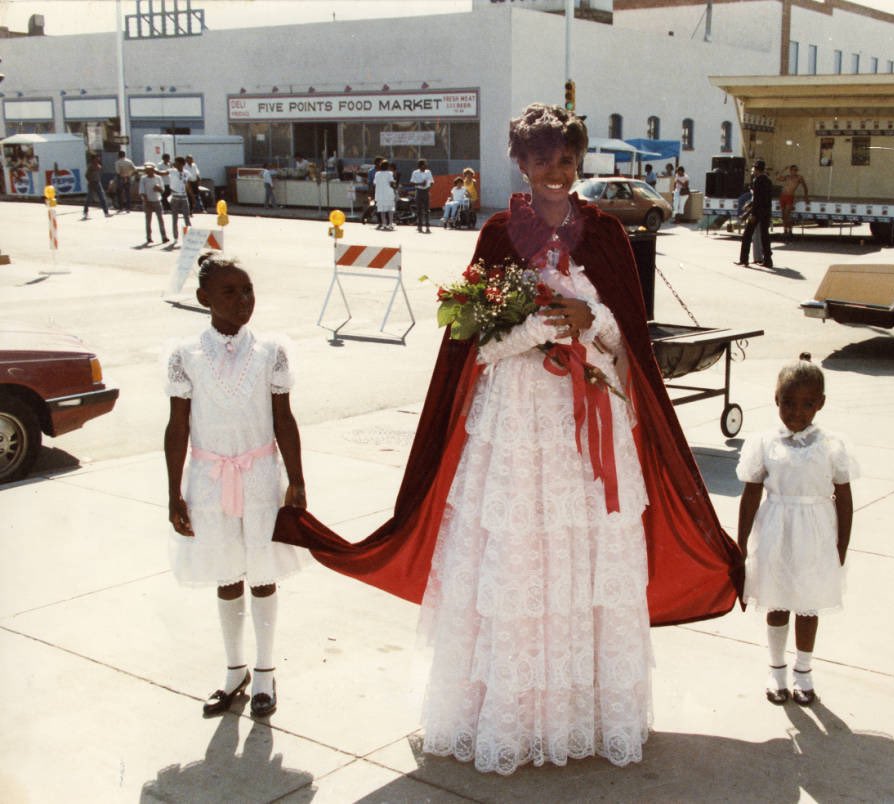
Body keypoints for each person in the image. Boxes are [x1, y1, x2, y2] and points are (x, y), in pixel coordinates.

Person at [272, 102, 741, 775]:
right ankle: (510, 718)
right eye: (544, 159)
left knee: (583, 558)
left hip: (590, 431)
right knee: (519, 558)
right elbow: (472, 347)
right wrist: (533, 330)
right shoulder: (498, 233)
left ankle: (584, 715)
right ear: (519, 163)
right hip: (518, 429)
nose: (557, 171)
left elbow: (626, 341)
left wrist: (591, 315)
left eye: (568, 159)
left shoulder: (608, 235)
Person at [164, 253, 306, 719]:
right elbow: (177, 425)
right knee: (227, 575)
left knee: (262, 573)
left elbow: (284, 418)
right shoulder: (186, 355)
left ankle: (265, 671)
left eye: (248, 290)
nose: (243, 300)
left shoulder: (270, 351)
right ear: (204, 298)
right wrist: (174, 492)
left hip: (261, 476)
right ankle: (234, 671)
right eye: (230, 292)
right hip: (209, 480)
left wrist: (297, 479)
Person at [736, 353, 856, 707]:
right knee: (777, 600)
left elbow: (845, 498)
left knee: (807, 605)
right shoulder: (764, 443)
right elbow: (751, 493)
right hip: (776, 531)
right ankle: (776, 670)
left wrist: (842, 546)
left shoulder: (832, 446)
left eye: (806, 404)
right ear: (776, 400)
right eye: (788, 403)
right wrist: (741, 543)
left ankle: (804, 671)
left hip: (816, 535)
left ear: (820, 404)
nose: (796, 412)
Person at [736, 160, 773, 269]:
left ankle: (744, 259)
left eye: (754, 169)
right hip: (766, 211)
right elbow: (764, 198)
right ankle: (768, 260)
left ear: (757, 170)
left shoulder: (757, 181)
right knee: (765, 236)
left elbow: (757, 199)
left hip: (757, 212)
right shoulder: (768, 181)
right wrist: (749, 205)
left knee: (747, 235)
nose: (753, 171)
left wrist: (752, 214)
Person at [138, 162, 169, 245]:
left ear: (153, 170)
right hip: (148, 201)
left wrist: (159, 189)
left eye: (150, 170)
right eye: (147, 170)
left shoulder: (158, 178)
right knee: (148, 220)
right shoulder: (143, 178)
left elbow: (162, 190)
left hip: (157, 200)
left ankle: (164, 236)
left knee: (160, 219)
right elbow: (142, 191)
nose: (148, 172)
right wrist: (146, 201)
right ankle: (149, 237)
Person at [775, 165, 809, 236]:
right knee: (783, 215)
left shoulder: (799, 178)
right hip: (783, 196)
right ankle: (785, 231)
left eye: (796, 170)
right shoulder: (787, 177)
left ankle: (790, 230)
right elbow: (778, 178)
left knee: (787, 214)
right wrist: (783, 169)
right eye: (793, 170)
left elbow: (805, 187)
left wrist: (806, 196)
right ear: (790, 171)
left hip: (790, 196)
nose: (794, 171)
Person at [167, 156, 193, 242]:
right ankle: (175, 237)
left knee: (187, 217)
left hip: (184, 197)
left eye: (177, 163)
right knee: (175, 218)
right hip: (175, 197)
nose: (175, 164)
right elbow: (161, 173)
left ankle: (189, 237)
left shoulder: (187, 173)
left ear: (182, 164)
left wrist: (192, 196)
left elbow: (187, 185)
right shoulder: (172, 171)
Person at [82, 154, 110, 219]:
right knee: (89, 198)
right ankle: (85, 211)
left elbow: (100, 168)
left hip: (98, 183)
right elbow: (86, 175)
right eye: (97, 158)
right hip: (92, 183)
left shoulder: (98, 165)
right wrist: (90, 180)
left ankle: (106, 212)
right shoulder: (90, 166)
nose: (98, 159)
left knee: (102, 198)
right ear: (93, 159)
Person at [410, 158, 434, 234]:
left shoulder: (428, 172)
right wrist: (420, 184)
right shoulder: (415, 173)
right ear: (420, 166)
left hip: (426, 191)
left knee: (427, 210)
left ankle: (427, 226)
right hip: (419, 191)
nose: (425, 166)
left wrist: (429, 186)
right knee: (419, 209)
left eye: (426, 164)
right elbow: (412, 183)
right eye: (424, 165)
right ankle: (419, 225)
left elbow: (432, 181)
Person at [373, 160, 396, 230]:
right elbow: (391, 183)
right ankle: (390, 224)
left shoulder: (377, 174)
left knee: (382, 210)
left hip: (380, 194)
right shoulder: (390, 173)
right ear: (388, 167)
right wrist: (395, 184)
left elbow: (374, 183)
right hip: (388, 193)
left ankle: (384, 224)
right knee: (390, 209)